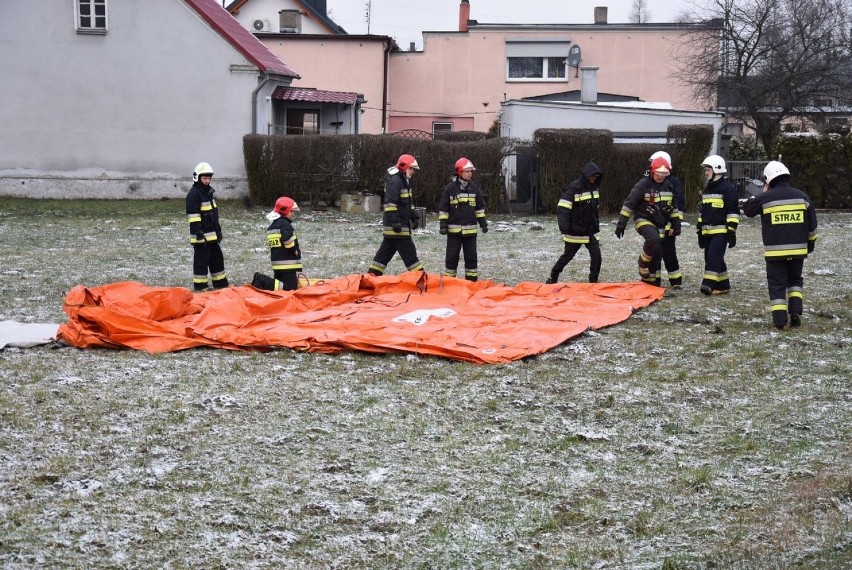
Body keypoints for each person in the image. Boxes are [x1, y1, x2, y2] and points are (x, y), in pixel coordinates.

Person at [742, 161, 818, 330]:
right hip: (799, 249)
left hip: (775, 252)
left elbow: (747, 209)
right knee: (795, 281)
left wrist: (762, 192)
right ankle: (796, 312)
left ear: (768, 180)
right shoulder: (802, 196)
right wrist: (810, 245)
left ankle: (780, 321)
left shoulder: (765, 197)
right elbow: (812, 226)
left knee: (777, 284)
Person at [614, 156, 681, 286]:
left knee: (657, 251)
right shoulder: (642, 185)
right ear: (652, 171)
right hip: (643, 219)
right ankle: (642, 264)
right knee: (653, 239)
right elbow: (629, 205)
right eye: (658, 174)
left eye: (664, 174)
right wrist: (621, 224)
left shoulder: (669, 186)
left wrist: (676, 225)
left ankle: (651, 282)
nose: (661, 177)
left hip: (660, 223)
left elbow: (673, 208)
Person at [367, 154, 425, 276]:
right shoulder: (396, 182)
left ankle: (371, 278)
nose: (413, 171)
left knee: (382, 257)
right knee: (411, 256)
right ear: (404, 167)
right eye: (411, 168)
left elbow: (406, 204)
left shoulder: (404, 182)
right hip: (398, 228)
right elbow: (389, 204)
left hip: (396, 228)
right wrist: (396, 222)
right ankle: (421, 280)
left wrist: (413, 216)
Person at [545, 162, 602, 284]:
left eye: (595, 176)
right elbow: (563, 207)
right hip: (575, 231)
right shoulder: (575, 187)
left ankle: (593, 281)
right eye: (592, 176)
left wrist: (596, 223)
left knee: (597, 257)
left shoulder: (595, 188)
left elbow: (594, 210)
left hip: (591, 230)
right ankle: (554, 275)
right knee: (568, 256)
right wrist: (564, 226)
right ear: (586, 175)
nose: (593, 178)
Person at [438, 157, 488, 281]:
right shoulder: (450, 189)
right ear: (459, 172)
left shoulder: (474, 188)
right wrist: (443, 225)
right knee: (451, 257)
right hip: (454, 232)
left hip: (470, 232)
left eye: (471, 171)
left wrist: (483, 223)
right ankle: (450, 282)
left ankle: (471, 283)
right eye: (467, 171)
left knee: (471, 257)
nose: (470, 173)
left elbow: (479, 209)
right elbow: (444, 208)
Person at [696, 155, 740, 295]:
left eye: (708, 170)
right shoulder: (708, 189)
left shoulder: (727, 189)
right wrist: (700, 231)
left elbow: (733, 211)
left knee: (713, 257)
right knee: (711, 256)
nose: (706, 172)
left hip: (721, 231)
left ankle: (708, 284)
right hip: (708, 231)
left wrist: (731, 231)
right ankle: (722, 285)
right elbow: (704, 212)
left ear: (717, 170)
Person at [185, 162, 228, 291]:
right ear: (197, 178)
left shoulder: (208, 192)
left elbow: (213, 215)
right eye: (204, 178)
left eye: (209, 178)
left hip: (212, 235)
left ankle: (220, 283)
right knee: (201, 262)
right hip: (201, 236)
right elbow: (193, 216)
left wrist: (218, 232)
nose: (207, 180)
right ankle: (200, 285)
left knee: (217, 259)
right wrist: (198, 232)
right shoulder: (193, 194)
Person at [648, 151, 685, 288]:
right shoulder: (649, 182)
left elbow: (678, 205)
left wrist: (674, 225)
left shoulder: (673, 183)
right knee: (654, 252)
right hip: (653, 225)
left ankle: (675, 280)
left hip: (668, 225)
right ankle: (654, 280)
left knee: (669, 252)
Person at [251, 196, 302, 291]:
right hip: (288, 265)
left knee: (279, 287)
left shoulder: (272, 226)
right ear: (285, 211)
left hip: (277, 264)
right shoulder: (286, 225)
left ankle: (263, 281)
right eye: (291, 211)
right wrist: (295, 251)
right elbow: (286, 239)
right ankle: (262, 281)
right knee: (290, 288)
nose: (293, 214)